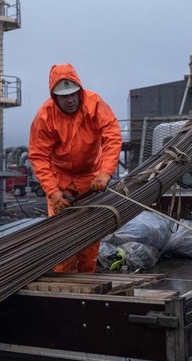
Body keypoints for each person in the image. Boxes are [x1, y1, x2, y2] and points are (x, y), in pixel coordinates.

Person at [28, 63, 123, 273]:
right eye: (63, 96)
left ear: (79, 90)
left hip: (91, 180)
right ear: (54, 97)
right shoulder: (45, 117)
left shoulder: (95, 104)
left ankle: (87, 283)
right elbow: (39, 156)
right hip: (59, 180)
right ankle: (64, 288)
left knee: (90, 238)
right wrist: (53, 193)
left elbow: (112, 136)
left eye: (72, 93)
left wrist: (105, 173)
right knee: (62, 238)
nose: (69, 99)